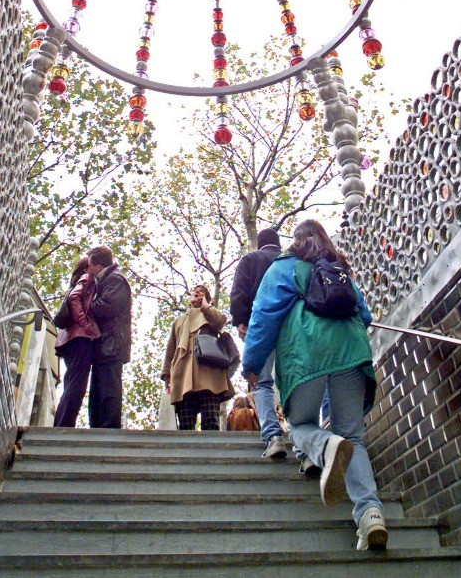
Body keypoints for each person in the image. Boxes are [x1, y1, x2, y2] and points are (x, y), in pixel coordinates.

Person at [242, 218, 387, 552]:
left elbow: (263, 316)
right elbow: (364, 315)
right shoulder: (337, 267)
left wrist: (252, 363)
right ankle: (370, 514)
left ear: (295, 240)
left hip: (305, 355)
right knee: (354, 436)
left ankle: (325, 447)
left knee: (300, 426)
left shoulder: (283, 268)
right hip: (351, 351)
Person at [230, 227, 285, 459]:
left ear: (259, 244)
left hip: (260, 325)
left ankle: (273, 436)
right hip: (290, 326)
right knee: (292, 380)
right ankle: (303, 439)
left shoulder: (250, 259)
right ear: (278, 243)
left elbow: (239, 292)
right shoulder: (288, 261)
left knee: (262, 382)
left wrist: (240, 320)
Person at [161, 284, 234, 431]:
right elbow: (171, 348)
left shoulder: (210, 314)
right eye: (195, 292)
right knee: (185, 424)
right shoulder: (179, 320)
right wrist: (167, 374)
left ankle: (211, 453)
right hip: (183, 375)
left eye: (202, 292)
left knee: (210, 420)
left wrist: (205, 305)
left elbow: (220, 321)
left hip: (209, 374)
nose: (197, 293)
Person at [87, 245, 132, 428]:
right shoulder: (108, 280)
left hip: (112, 343)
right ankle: (98, 428)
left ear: (97, 266)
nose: (87, 269)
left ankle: (109, 429)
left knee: (109, 389)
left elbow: (108, 306)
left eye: (89, 265)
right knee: (99, 389)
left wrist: (85, 305)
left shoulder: (115, 280)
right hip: (105, 343)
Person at [53, 256, 100, 428]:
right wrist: (85, 323)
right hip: (79, 338)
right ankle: (64, 425)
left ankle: (61, 422)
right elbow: (74, 298)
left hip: (69, 339)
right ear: (87, 268)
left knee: (71, 382)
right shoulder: (87, 278)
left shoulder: (78, 280)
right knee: (77, 385)